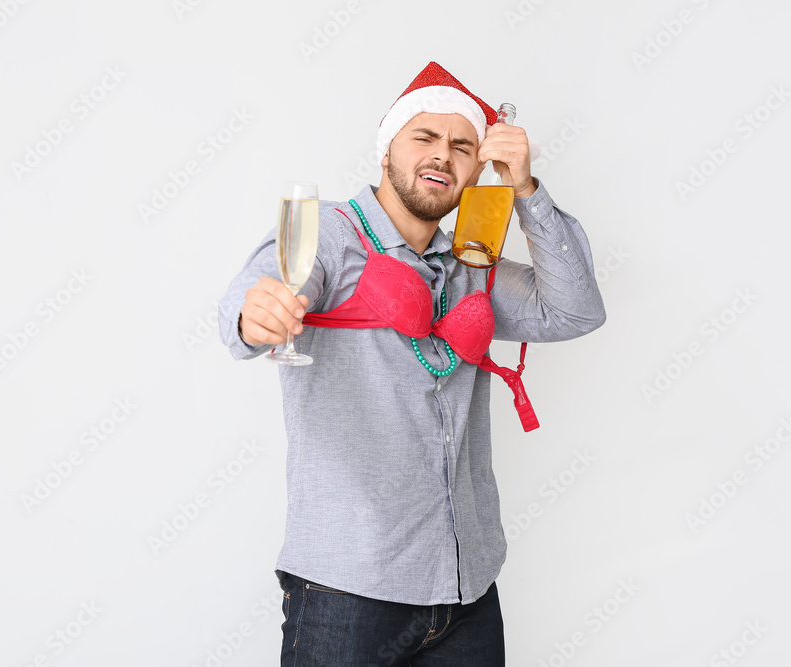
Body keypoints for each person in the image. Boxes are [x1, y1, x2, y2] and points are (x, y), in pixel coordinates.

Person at [217, 61, 606, 666]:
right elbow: (255, 298)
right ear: (387, 152)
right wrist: (254, 315)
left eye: (461, 146)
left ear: (476, 169)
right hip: (347, 589)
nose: (442, 156)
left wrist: (526, 191)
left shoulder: (471, 263)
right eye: (423, 137)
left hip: (466, 589)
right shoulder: (328, 237)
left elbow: (576, 310)